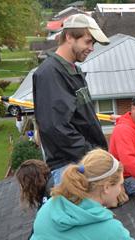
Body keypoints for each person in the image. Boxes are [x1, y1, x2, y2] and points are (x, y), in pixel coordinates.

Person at [33, 14, 110, 185]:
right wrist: (93, 154)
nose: (91, 48)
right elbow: (56, 128)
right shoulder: (50, 74)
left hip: (83, 163)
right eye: (88, 41)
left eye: (93, 43)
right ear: (69, 37)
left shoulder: (72, 71)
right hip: (70, 168)